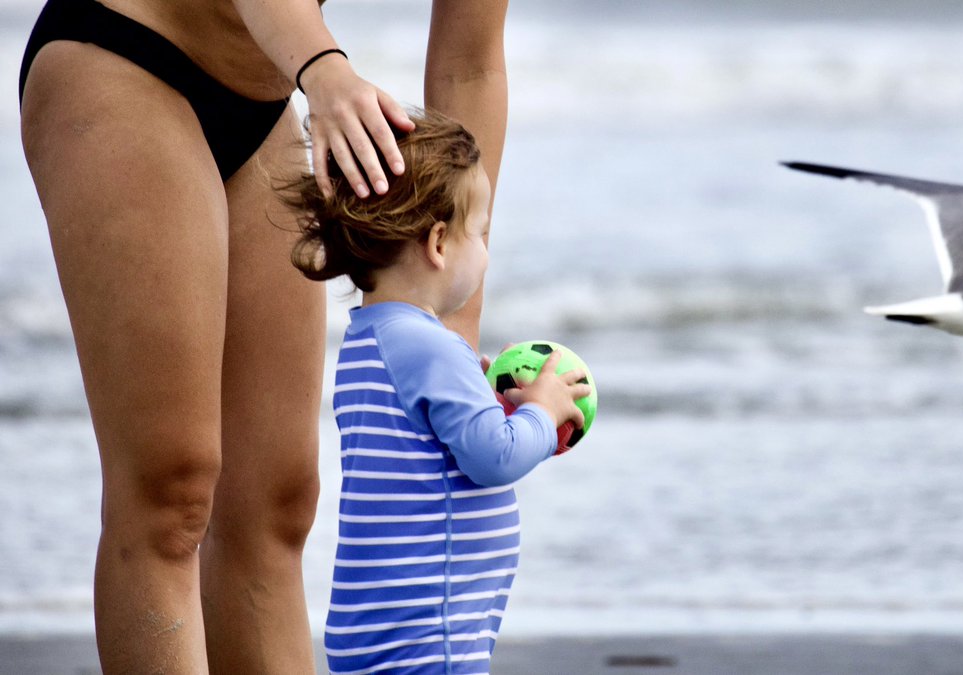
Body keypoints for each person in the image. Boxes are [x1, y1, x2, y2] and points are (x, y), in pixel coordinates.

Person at [18, 0, 508, 671]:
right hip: (124, 52)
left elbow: (469, 65)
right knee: (172, 491)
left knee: (276, 503)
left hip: (263, 93)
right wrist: (325, 72)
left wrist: (451, 331)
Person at [284, 108, 590, 674]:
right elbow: (493, 457)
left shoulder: (370, 339)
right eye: (481, 231)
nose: (485, 249)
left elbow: (424, 448)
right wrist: (543, 416)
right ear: (440, 242)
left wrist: (479, 399)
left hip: (376, 628)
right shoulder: (431, 347)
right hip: (431, 631)